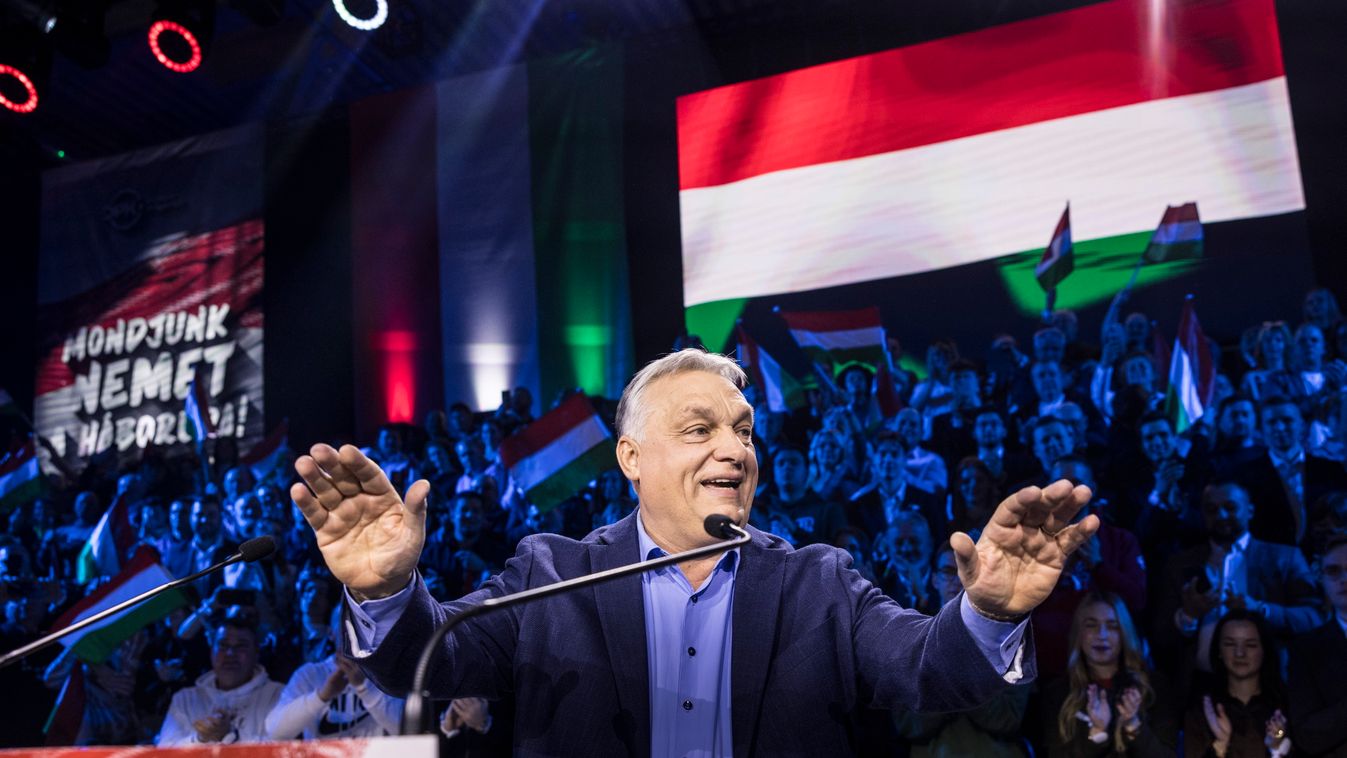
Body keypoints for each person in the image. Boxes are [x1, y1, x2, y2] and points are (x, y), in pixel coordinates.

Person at [292, 349, 1099, 756]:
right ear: (632, 459)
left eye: (743, 431)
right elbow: (428, 663)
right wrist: (387, 593)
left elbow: (928, 672)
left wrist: (989, 614)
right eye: (699, 430)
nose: (734, 450)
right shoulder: (550, 573)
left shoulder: (818, 582)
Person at [1041, 591, 1173, 756]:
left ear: (1124, 633)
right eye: (1091, 625)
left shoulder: (1154, 687)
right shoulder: (1058, 693)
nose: (1101, 635)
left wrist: (1133, 726)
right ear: (1078, 633)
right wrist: (1097, 733)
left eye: (1112, 626)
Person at [265, 609, 404, 739]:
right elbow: (275, 731)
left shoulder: (386, 675)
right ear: (331, 633)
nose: (353, 634)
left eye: (361, 626)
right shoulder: (309, 674)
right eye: (346, 624)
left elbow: (405, 731)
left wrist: (364, 687)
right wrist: (321, 696)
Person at [156, 618, 284, 745]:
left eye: (241, 646)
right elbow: (165, 751)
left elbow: (283, 748)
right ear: (211, 651)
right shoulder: (186, 700)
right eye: (223, 645)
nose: (230, 653)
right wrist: (201, 739)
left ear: (256, 653)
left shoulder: (278, 695)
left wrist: (230, 736)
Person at [1183, 610, 1293, 758]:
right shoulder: (1202, 709)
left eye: (1250, 645)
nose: (1240, 653)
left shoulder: (1286, 705)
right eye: (1230, 644)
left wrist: (1277, 747)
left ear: (1264, 650)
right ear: (1219, 650)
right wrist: (1220, 745)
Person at [1286, 534, 1347, 757]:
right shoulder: (1306, 649)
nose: (1344, 579)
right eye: (1333, 571)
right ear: (1321, 578)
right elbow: (1306, 734)